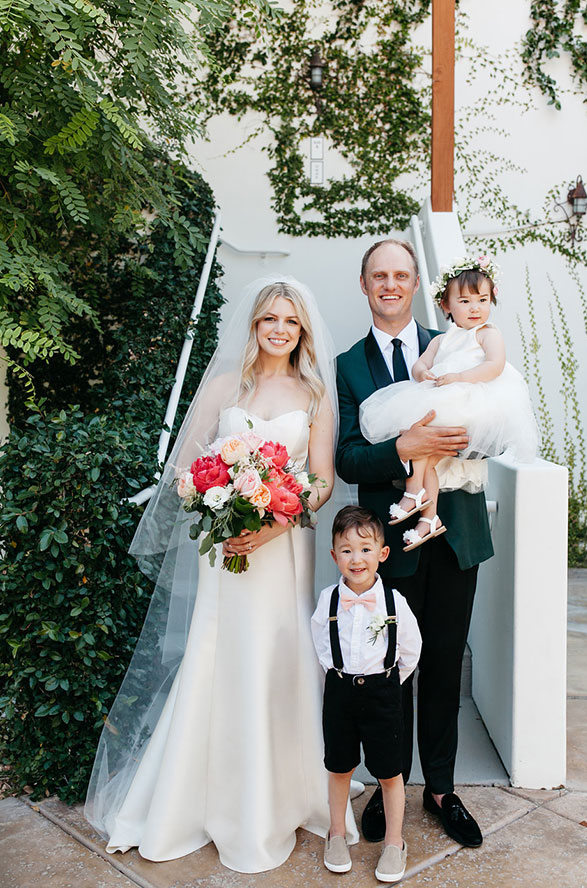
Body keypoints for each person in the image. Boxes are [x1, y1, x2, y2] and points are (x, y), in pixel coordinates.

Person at [85, 278, 358, 873]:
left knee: (274, 657)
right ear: (254, 326)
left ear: (302, 332)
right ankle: (194, 795)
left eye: (291, 321)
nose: (280, 330)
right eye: (269, 320)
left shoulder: (315, 394)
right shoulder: (220, 387)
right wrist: (214, 496)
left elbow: (321, 481)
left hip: (281, 550)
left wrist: (275, 522)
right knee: (218, 653)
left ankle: (280, 794)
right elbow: (186, 468)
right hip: (226, 551)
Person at [335, 239, 494, 848]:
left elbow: (493, 418)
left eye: (402, 274)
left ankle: (443, 789)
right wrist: (402, 451)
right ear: (365, 284)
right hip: (387, 543)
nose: (392, 284)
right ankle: (389, 783)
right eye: (381, 275)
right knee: (388, 670)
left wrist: (459, 439)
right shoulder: (349, 364)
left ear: (417, 282)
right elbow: (348, 455)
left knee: (446, 662)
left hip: (455, 533)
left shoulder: (457, 339)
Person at [359, 256, 538, 551]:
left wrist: (458, 377)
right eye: (465, 301)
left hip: (471, 401)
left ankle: (414, 492)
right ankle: (428, 520)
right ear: (446, 305)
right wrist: (422, 373)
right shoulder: (441, 341)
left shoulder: (487, 333)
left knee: (427, 451)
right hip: (443, 397)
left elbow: (495, 366)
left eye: (483, 299)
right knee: (425, 454)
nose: (476, 308)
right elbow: (420, 365)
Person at [311, 506, 421, 882]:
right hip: (340, 691)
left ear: (382, 554)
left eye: (365, 549)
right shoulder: (327, 601)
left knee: (390, 772)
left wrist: (388, 683)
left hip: (383, 693)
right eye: (346, 550)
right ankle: (337, 833)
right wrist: (341, 677)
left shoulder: (395, 603)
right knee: (340, 766)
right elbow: (321, 646)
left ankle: (394, 842)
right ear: (333, 555)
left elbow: (411, 649)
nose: (355, 559)